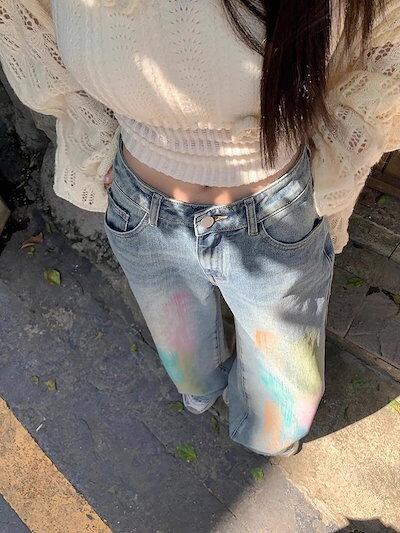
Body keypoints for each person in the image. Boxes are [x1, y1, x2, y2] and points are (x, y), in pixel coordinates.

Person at [0, 0, 398, 457]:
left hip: (275, 210)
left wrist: (328, 165)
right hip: (142, 208)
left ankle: (265, 435)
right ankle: (203, 394)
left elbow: (386, 49)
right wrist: (97, 140)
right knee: (185, 356)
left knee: (285, 393)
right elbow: (28, 31)